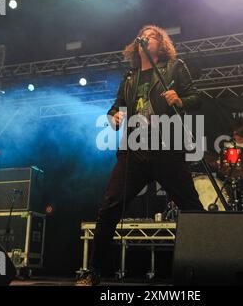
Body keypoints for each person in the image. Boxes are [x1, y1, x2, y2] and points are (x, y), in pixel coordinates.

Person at [76, 25, 204, 286]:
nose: (145, 38)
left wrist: (179, 100)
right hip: (134, 153)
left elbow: (196, 99)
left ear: (161, 43)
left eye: (152, 35)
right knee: (109, 208)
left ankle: (208, 266)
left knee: (192, 208)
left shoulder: (174, 67)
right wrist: (113, 117)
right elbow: (115, 108)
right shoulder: (130, 77)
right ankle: (94, 272)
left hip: (167, 149)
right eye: (143, 35)